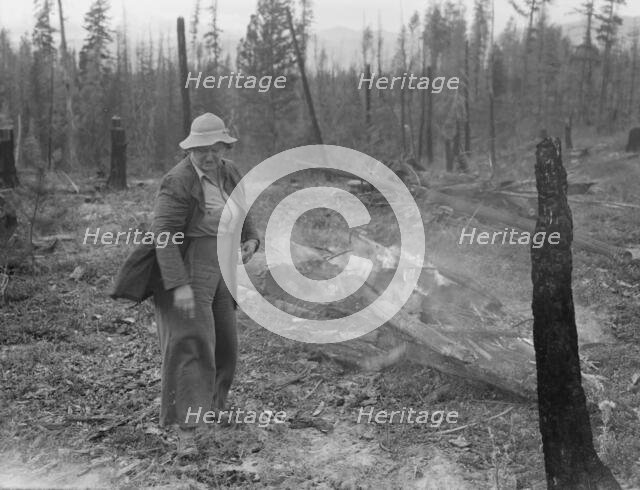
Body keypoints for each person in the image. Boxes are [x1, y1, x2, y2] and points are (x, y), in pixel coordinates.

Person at [151, 112, 259, 456]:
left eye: (215, 148)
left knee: (225, 342)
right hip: (190, 263)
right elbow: (164, 235)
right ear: (190, 150)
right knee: (191, 343)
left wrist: (251, 239)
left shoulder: (228, 171)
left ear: (223, 146)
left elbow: (243, 210)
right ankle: (187, 433)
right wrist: (178, 284)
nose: (209, 156)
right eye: (201, 150)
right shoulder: (177, 181)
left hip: (223, 263)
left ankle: (215, 407)